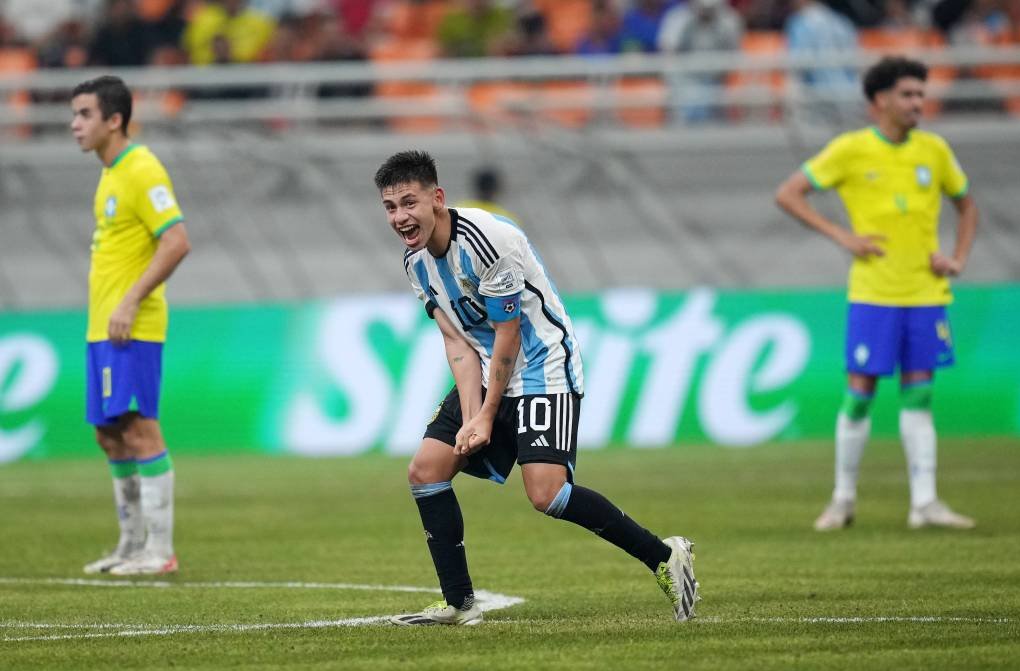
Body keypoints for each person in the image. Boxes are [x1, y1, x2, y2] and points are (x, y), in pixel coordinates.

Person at [374, 150, 698, 625]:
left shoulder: (489, 239)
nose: (400, 217)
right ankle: (459, 604)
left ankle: (664, 556)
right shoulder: (415, 263)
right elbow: (458, 344)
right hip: (490, 369)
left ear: (437, 198)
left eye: (409, 202)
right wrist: (472, 415)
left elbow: (511, 332)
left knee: (547, 494)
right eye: (389, 207)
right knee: (426, 470)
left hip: (543, 365)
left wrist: (486, 416)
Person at [775, 57, 979, 532]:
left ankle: (924, 503)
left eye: (921, 95)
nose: (917, 104)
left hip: (926, 293)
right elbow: (788, 193)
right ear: (880, 100)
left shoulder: (934, 150)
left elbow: (967, 206)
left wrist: (959, 257)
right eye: (908, 95)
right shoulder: (851, 150)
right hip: (874, 294)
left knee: (920, 395)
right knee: (861, 394)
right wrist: (843, 238)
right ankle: (843, 499)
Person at [71, 75, 191, 574]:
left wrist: (129, 302)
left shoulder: (141, 169)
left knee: (140, 428)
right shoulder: (109, 173)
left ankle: (160, 551)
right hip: (103, 328)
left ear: (114, 119)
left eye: (84, 114)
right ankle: (131, 543)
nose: (74, 125)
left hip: (132, 326)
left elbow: (177, 240)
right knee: (109, 433)